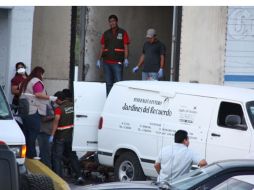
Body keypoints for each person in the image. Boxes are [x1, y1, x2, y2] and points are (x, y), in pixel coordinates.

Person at [19, 66, 57, 159]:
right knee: (33, 132)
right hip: (33, 110)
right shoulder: (36, 81)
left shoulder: (25, 81)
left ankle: (27, 153)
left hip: (24, 111)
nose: (43, 76)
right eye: (43, 74)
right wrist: (50, 97)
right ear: (40, 73)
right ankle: (32, 154)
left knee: (27, 132)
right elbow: (38, 94)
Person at [50, 91, 85, 185]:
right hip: (70, 136)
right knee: (73, 157)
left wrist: (52, 135)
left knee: (57, 158)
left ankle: (58, 179)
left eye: (55, 100)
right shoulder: (73, 106)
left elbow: (56, 121)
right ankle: (79, 176)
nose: (55, 101)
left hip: (60, 137)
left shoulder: (58, 109)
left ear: (58, 99)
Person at [96, 14, 130, 95]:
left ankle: (118, 100)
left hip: (117, 63)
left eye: (113, 21)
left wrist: (126, 58)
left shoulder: (123, 32)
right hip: (106, 63)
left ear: (116, 22)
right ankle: (109, 101)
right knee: (108, 84)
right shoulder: (106, 33)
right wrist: (98, 59)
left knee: (118, 83)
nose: (112, 23)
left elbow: (126, 47)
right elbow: (102, 47)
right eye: (110, 22)